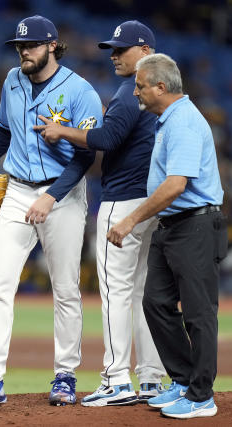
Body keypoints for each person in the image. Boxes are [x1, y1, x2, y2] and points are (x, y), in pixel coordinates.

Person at [0, 15, 102, 407]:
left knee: (66, 289)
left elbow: (86, 155)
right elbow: (5, 131)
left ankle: (65, 376)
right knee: (0, 283)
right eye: (20, 46)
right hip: (18, 191)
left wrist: (52, 197)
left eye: (33, 45)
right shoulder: (12, 80)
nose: (25, 51)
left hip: (65, 194)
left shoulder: (80, 92)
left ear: (53, 46)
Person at [33, 20, 166, 406]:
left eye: (121, 49)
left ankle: (116, 379)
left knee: (115, 293)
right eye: (111, 49)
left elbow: (106, 139)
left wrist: (63, 130)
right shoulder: (164, 93)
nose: (113, 56)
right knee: (143, 294)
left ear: (145, 53)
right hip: (152, 204)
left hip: (123, 201)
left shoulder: (130, 92)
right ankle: (152, 380)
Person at [106, 53, 227, 419]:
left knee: (198, 313)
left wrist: (130, 221)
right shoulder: (167, 120)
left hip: (195, 225)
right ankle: (183, 379)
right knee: (155, 302)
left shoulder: (185, 122)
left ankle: (201, 395)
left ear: (162, 87)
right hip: (173, 226)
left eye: (141, 86)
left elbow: (176, 184)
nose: (136, 92)